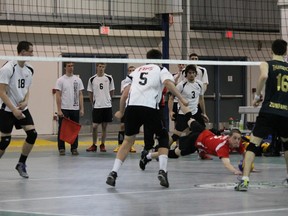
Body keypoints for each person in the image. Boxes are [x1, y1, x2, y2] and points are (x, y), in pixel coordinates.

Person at [106, 49, 188, 188]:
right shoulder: (161, 69)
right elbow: (168, 83)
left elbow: (125, 93)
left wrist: (121, 111)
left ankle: (113, 172)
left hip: (132, 108)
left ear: (147, 58)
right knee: (162, 136)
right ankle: (163, 170)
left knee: (128, 141)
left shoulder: (135, 71)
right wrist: (181, 98)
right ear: (160, 59)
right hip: (150, 107)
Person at [235, 39, 288, 191]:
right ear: (285, 51)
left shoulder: (267, 64)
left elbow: (264, 76)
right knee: (286, 145)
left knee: (253, 144)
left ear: (271, 50)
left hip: (269, 111)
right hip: (285, 112)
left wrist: (257, 97)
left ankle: (245, 180)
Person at [0, 41, 37, 178]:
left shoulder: (29, 69)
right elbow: (1, 92)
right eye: (30, 51)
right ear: (22, 52)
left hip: (22, 108)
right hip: (7, 109)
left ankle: (21, 164)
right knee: (5, 142)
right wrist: (13, 110)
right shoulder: (8, 68)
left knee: (32, 134)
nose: (32, 54)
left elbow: (27, 89)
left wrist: (26, 101)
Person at [168, 119, 245, 175]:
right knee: (175, 153)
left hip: (206, 133)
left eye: (239, 139)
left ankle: (162, 151)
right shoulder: (222, 147)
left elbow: (245, 154)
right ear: (228, 137)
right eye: (235, 138)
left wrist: (250, 166)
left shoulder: (237, 143)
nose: (237, 141)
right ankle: (160, 152)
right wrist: (235, 171)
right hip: (196, 139)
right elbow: (226, 164)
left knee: (191, 120)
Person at [55, 62, 84, 156]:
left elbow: (80, 94)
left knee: (74, 129)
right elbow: (58, 95)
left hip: (75, 108)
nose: (71, 67)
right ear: (65, 68)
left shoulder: (78, 80)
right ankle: (61, 148)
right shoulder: (60, 80)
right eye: (69, 66)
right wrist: (59, 110)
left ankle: (74, 148)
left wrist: (81, 108)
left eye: (72, 66)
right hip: (64, 108)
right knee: (62, 129)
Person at [86, 63, 115, 152]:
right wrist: (93, 103)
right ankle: (94, 144)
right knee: (94, 126)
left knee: (104, 126)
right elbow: (90, 93)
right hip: (97, 106)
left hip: (106, 105)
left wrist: (108, 99)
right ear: (97, 67)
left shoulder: (109, 78)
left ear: (105, 67)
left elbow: (112, 91)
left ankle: (102, 144)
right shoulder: (92, 79)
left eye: (103, 67)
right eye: (100, 66)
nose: (101, 68)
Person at [113, 65, 136, 153]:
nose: (131, 72)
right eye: (130, 70)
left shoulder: (138, 81)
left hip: (134, 105)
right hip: (126, 106)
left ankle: (131, 146)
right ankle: (120, 144)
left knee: (132, 127)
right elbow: (124, 93)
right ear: (128, 72)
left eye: (133, 70)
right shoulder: (124, 81)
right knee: (122, 126)